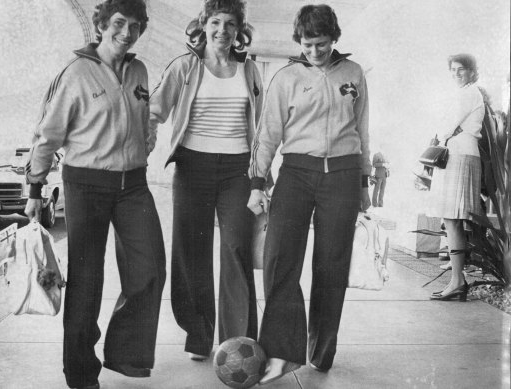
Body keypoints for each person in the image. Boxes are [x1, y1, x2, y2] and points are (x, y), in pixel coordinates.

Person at [24, 1, 166, 387]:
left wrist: (144, 144)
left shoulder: (139, 69)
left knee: (150, 269)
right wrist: (35, 187)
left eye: (136, 26)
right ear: (102, 25)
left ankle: (124, 355)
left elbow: (144, 118)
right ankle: (81, 373)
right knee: (87, 279)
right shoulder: (75, 73)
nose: (127, 32)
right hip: (86, 182)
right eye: (119, 23)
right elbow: (47, 135)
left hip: (133, 184)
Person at [247, 4, 371, 384]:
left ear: (334, 39)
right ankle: (283, 353)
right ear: (298, 41)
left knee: (331, 266)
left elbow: (363, 129)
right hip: (297, 173)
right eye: (307, 44)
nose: (314, 51)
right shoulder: (286, 77)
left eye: (320, 43)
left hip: (344, 175)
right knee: (280, 260)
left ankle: (321, 351)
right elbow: (267, 134)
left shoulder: (353, 73)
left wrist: (364, 182)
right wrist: (257, 183)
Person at [148, 0, 263, 362]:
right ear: (204, 24)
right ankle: (198, 335)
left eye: (231, 24)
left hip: (237, 170)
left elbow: (262, 126)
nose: (222, 31)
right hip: (192, 166)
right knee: (191, 252)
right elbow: (153, 111)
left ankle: (239, 344)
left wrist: (261, 176)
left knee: (236, 249)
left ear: (239, 30)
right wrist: (141, 145)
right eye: (216, 22)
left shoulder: (250, 71)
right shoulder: (185, 67)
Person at [428, 53, 485, 301]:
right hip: (457, 155)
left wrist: (440, 134)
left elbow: (447, 125)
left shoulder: (469, 92)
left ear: (472, 71)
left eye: (461, 69)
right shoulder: (465, 93)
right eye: (452, 70)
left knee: (453, 218)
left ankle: (458, 280)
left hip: (460, 155)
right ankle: (457, 280)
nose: (456, 74)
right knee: (452, 220)